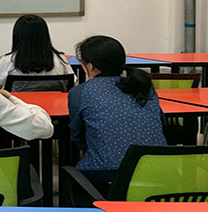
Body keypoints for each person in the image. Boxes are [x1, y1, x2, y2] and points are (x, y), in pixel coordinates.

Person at [68, 35, 166, 186]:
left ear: (90, 66)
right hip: (158, 173)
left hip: (105, 177)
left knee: (71, 173)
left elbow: (77, 135)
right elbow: (161, 124)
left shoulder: (81, 92)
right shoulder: (143, 86)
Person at [0, 14, 75, 91]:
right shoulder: (60, 60)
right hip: (54, 103)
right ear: (45, 36)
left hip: (19, 103)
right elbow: (73, 84)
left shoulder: (8, 60)